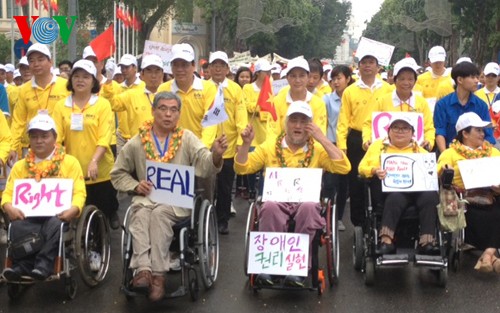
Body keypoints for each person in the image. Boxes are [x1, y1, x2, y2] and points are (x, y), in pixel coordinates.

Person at [110, 91, 227, 301]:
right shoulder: (138, 141)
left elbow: (205, 164)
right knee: (140, 213)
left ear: (179, 114)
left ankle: (158, 275)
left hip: (176, 202)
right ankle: (143, 271)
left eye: (173, 110)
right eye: (163, 109)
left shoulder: (187, 138)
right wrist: (136, 185)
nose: (168, 114)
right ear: (153, 111)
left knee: (159, 214)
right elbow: (117, 173)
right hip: (146, 199)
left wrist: (216, 154)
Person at [234, 100, 351, 287]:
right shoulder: (269, 146)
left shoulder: (318, 149)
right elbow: (242, 168)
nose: (298, 126)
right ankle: (269, 268)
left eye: (304, 122)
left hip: (306, 202)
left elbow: (344, 167)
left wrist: (323, 138)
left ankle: (299, 269)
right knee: (270, 206)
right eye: (293, 120)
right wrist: (246, 144)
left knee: (309, 208)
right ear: (285, 124)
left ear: (310, 126)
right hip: (277, 200)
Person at [1, 114, 86, 281]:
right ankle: (23, 265)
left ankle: (44, 265)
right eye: (34, 137)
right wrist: (8, 206)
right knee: (16, 227)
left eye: (44, 136)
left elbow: (79, 192)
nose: (39, 141)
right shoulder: (20, 166)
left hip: (58, 216)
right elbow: (8, 193)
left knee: (54, 226)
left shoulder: (69, 162)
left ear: (55, 137)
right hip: (28, 216)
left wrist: (74, 209)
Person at [52, 60, 119, 229]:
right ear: (71, 80)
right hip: (71, 168)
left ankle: (108, 222)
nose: (80, 80)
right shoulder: (61, 106)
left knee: (101, 210)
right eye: (76, 76)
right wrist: (57, 160)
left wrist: (95, 160)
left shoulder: (102, 104)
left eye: (85, 77)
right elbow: (56, 138)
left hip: (99, 169)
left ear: (93, 82)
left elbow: (104, 137)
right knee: (75, 212)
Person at [359, 116, 439, 254]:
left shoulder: (420, 151)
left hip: (417, 193)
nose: (400, 131)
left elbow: (434, 171)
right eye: (395, 127)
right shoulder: (377, 146)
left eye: (405, 128)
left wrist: (442, 170)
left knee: (430, 196)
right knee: (396, 197)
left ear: (412, 133)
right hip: (391, 191)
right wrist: (374, 170)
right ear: (389, 131)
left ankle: (427, 241)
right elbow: (361, 167)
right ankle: (386, 240)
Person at [437, 112, 500, 273]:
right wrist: (447, 171)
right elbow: (440, 169)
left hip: (492, 193)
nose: (482, 134)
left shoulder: (493, 152)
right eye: (478, 130)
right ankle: (490, 256)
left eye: (482, 130)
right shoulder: (450, 153)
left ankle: (487, 254)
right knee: (478, 213)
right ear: (464, 133)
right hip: (464, 197)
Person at [336, 53, 392, 227]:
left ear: (378, 67)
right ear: (358, 66)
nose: (367, 66)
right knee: (356, 180)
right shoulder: (350, 91)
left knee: (381, 177)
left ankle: (381, 218)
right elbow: (343, 120)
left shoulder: (388, 88)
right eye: (364, 63)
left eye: (371, 62)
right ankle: (359, 223)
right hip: (356, 138)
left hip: (383, 140)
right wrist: (342, 145)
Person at [8, 43, 70, 164]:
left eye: (40, 59)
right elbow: (18, 121)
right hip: (34, 146)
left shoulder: (65, 86)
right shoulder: (24, 90)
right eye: (31, 61)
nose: (36, 64)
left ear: (50, 62)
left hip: (61, 146)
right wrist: (13, 147)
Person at [208, 51, 247, 234]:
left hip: (228, 147)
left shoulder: (235, 89)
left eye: (221, 65)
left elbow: (241, 117)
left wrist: (240, 140)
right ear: (209, 68)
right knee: (207, 186)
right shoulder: (202, 88)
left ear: (227, 68)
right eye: (214, 65)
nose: (217, 68)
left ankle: (222, 220)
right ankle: (205, 219)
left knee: (224, 187)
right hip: (206, 147)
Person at [363, 57, 435, 151]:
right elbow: (368, 124)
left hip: (414, 153)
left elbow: (429, 127)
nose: (406, 83)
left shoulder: (421, 103)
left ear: (415, 81)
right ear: (395, 80)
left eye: (410, 79)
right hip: (386, 152)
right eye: (402, 79)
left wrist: (429, 141)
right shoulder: (383, 101)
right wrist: (367, 140)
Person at [434, 61, 494, 153]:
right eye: (472, 77)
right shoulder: (442, 104)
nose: (477, 81)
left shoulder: (481, 105)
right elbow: (440, 133)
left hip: (477, 154)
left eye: (477, 77)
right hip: (450, 152)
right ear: (460, 80)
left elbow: (488, 135)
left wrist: (480, 155)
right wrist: (446, 156)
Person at [322, 65, 354, 231]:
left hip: (350, 145)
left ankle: (339, 217)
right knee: (329, 183)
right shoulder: (327, 99)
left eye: (339, 78)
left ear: (348, 79)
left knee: (344, 185)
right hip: (332, 144)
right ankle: (324, 216)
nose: (335, 82)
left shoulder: (354, 97)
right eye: (333, 79)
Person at [274, 57, 327, 135]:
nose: (297, 80)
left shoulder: (319, 104)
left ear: (307, 76)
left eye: (302, 76)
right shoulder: (276, 102)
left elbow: (319, 137)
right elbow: (272, 135)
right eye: (293, 76)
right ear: (287, 78)